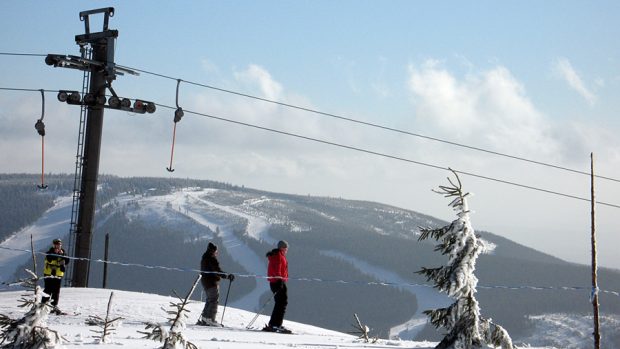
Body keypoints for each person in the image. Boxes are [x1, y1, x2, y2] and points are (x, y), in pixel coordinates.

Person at [197, 242, 234, 326]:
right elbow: (217, 270)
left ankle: (205, 318)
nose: (216, 253)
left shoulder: (205, 257)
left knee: (209, 300)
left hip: (205, 282)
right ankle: (210, 319)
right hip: (211, 282)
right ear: (213, 251)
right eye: (216, 251)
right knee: (214, 300)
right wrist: (227, 276)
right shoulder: (211, 258)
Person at [264, 240, 291, 333]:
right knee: (282, 302)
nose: (287, 249)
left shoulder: (278, 254)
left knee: (281, 302)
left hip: (278, 281)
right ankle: (276, 324)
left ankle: (274, 323)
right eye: (286, 248)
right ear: (282, 248)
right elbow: (278, 268)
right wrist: (279, 279)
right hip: (278, 281)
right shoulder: (278, 255)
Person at [42, 238, 70, 314]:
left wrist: (62, 255)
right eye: (56, 244)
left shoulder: (63, 252)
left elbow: (67, 261)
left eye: (59, 244)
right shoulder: (49, 252)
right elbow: (49, 259)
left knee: (56, 291)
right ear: (53, 245)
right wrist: (56, 254)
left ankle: (54, 306)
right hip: (49, 273)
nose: (58, 246)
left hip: (58, 274)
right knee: (48, 289)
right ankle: (43, 305)